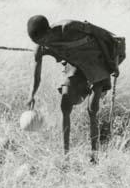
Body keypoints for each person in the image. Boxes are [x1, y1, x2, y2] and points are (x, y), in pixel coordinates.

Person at [26, 15, 122, 160]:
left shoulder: (69, 27)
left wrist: (113, 64)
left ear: (48, 31)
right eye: (37, 42)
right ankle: (66, 155)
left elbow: (102, 35)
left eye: (42, 39)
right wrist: (31, 95)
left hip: (98, 64)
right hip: (77, 67)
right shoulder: (40, 47)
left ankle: (94, 155)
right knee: (65, 105)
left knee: (92, 110)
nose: (42, 44)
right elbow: (36, 76)